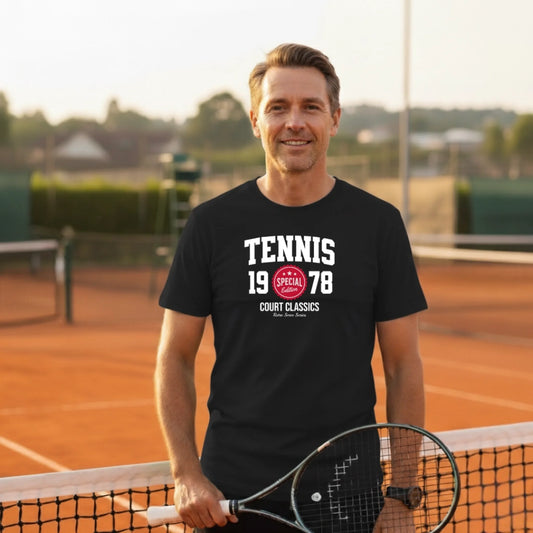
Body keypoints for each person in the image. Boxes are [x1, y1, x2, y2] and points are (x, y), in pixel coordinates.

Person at [155, 43, 427, 532]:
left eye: (311, 107)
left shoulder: (379, 225)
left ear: (334, 119)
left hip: (348, 496)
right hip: (233, 499)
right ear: (255, 121)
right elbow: (174, 356)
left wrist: (402, 495)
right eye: (278, 107)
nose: (294, 122)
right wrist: (186, 474)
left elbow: (403, 365)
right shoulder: (211, 225)